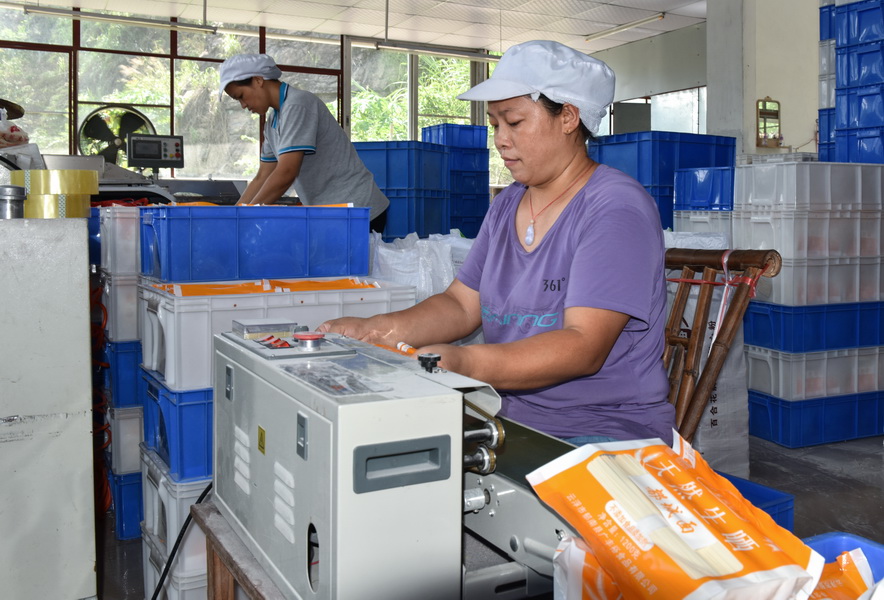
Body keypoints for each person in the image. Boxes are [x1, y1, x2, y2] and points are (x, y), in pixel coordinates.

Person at [319, 40, 674, 445]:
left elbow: (583, 345)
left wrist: (464, 362)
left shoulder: (615, 209)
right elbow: (460, 305)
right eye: (495, 125)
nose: (501, 140)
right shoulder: (508, 204)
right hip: (508, 417)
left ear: (568, 117)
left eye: (515, 122)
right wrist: (376, 330)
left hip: (600, 430)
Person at [218, 53, 390, 233]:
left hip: (357, 210)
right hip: (333, 213)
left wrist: (246, 216)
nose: (243, 105)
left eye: (241, 96)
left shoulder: (298, 105)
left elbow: (287, 172)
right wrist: (235, 215)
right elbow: (263, 177)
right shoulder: (273, 121)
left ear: (258, 80)